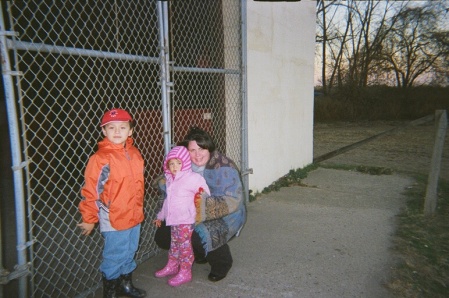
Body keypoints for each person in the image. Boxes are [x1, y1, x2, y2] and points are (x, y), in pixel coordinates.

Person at [154, 127, 247, 282]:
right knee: (163, 235)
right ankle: (199, 253)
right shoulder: (182, 164)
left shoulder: (224, 166)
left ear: (209, 147)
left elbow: (233, 200)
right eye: (192, 150)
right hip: (190, 212)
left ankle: (222, 264)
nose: (197, 155)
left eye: (201, 149)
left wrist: (199, 209)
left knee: (201, 234)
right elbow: (168, 184)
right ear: (186, 151)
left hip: (226, 213)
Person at [78, 108, 147, 298]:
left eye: (122, 127)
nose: (117, 132)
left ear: (130, 131)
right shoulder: (100, 159)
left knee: (130, 250)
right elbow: (91, 190)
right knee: (115, 254)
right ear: (103, 131)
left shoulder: (134, 153)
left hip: (134, 214)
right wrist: (90, 217)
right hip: (114, 215)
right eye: (111, 127)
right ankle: (110, 291)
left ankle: (125, 285)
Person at [153, 146, 210, 287]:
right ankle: (172, 265)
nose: (175, 167)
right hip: (174, 221)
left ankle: (185, 271)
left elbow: (205, 193)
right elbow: (168, 201)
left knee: (185, 247)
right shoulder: (170, 180)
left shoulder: (192, 178)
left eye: (178, 163)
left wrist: (200, 201)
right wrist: (160, 216)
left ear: (185, 162)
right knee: (174, 245)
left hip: (186, 220)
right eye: (171, 163)